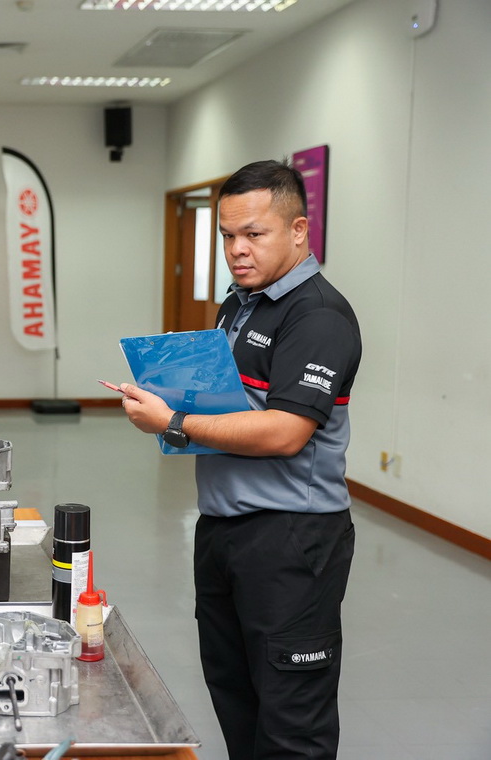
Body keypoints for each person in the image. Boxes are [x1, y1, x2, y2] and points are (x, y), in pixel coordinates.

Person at [119, 160, 361, 760]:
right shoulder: (240, 304)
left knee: (291, 722)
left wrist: (173, 421)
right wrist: (169, 397)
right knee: (236, 696)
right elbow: (232, 403)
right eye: (228, 235)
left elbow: (285, 431)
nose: (236, 250)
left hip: (291, 540)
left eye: (254, 234)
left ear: (299, 231)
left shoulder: (318, 315)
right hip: (224, 528)